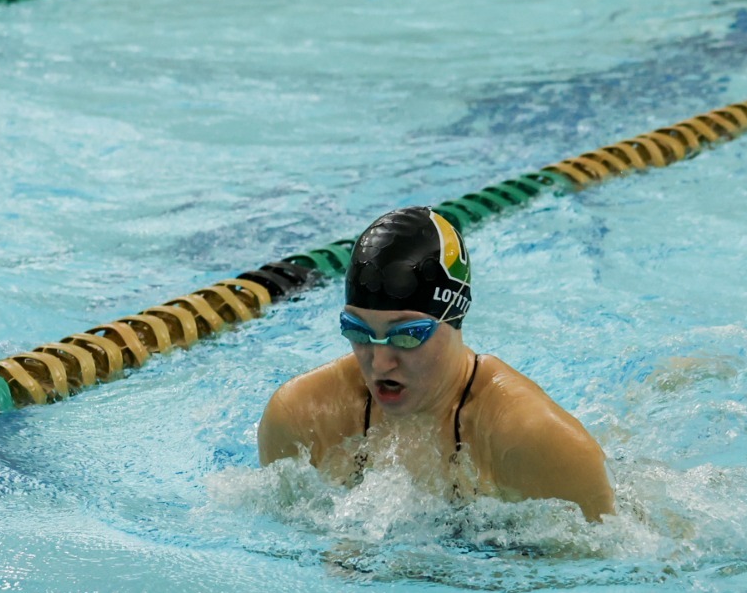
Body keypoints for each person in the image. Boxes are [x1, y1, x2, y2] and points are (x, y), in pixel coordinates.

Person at [256, 207, 614, 521]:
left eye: (407, 335)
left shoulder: (537, 440)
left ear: (454, 317)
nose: (380, 363)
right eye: (360, 332)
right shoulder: (302, 415)